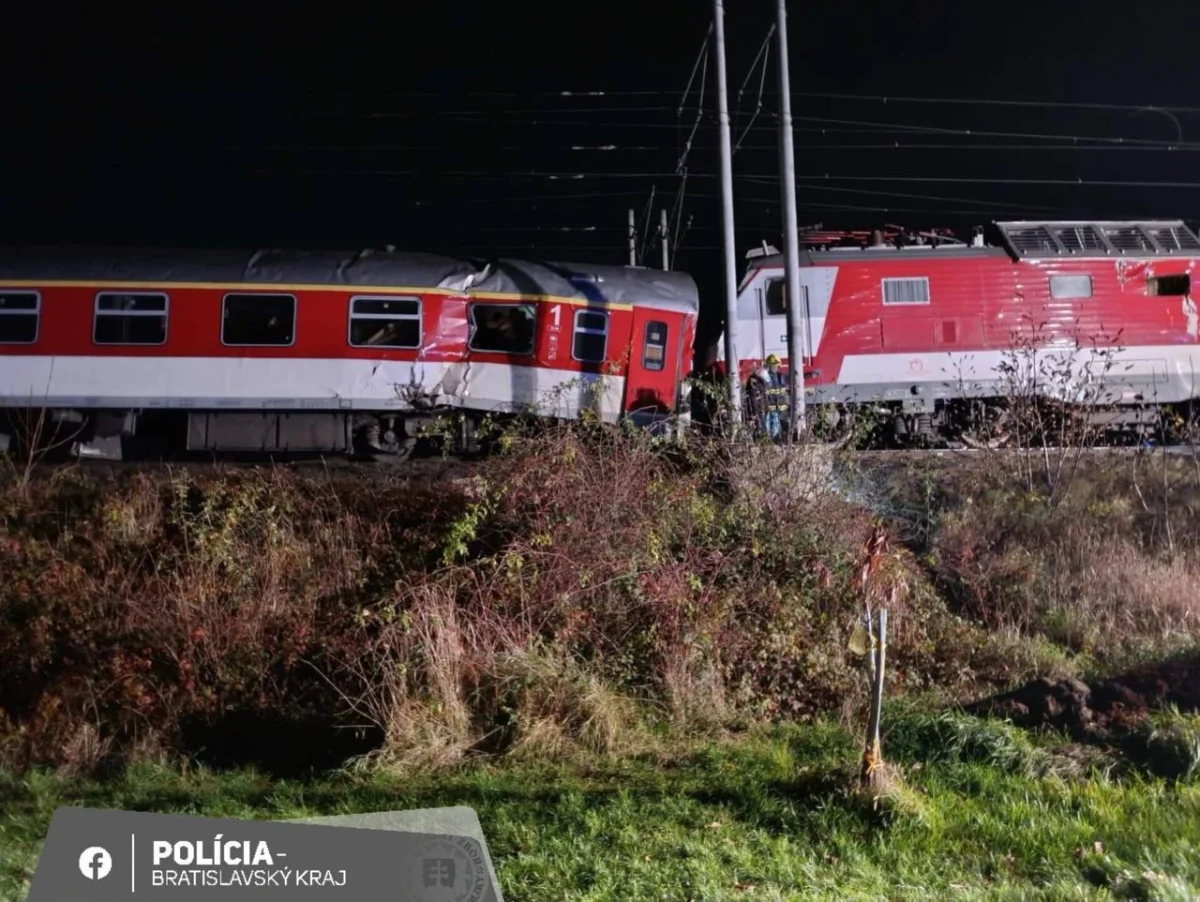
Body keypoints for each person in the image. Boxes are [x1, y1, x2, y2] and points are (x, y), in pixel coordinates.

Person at [758, 354, 789, 440]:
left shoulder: (779, 376)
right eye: (774, 366)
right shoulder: (765, 376)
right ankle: (772, 439)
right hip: (771, 407)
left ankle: (775, 439)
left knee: (777, 427)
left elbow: (783, 390)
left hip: (778, 407)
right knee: (770, 427)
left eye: (776, 366)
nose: (776, 368)